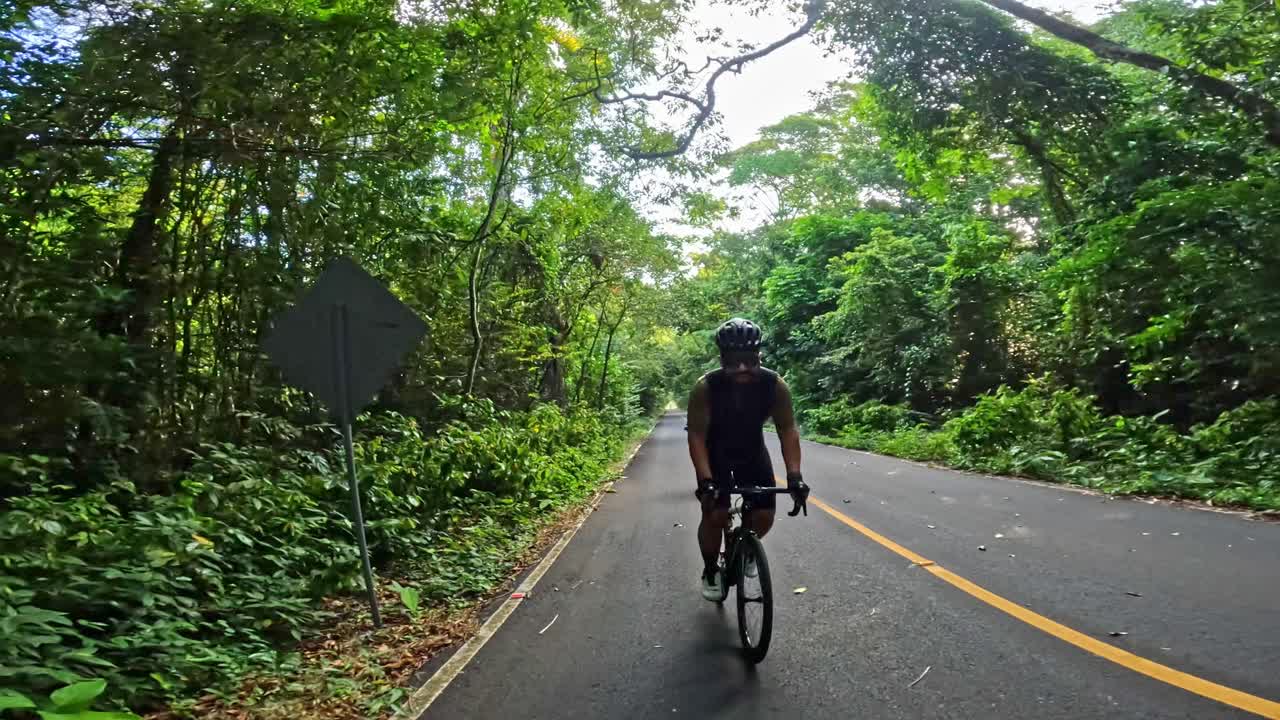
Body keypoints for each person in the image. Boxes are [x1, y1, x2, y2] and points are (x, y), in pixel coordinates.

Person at [686, 317, 808, 601]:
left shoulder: (774, 385)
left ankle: (745, 550)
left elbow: (787, 429)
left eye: (750, 361)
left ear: (759, 357)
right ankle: (711, 569)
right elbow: (696, 437)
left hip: (752, 449)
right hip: (715, 450)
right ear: (722, 360)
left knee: (764, 514)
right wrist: (706, 481)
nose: (742, 368)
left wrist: (795, 476)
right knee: (715, 513)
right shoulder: (706, 387)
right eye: (733, 362)